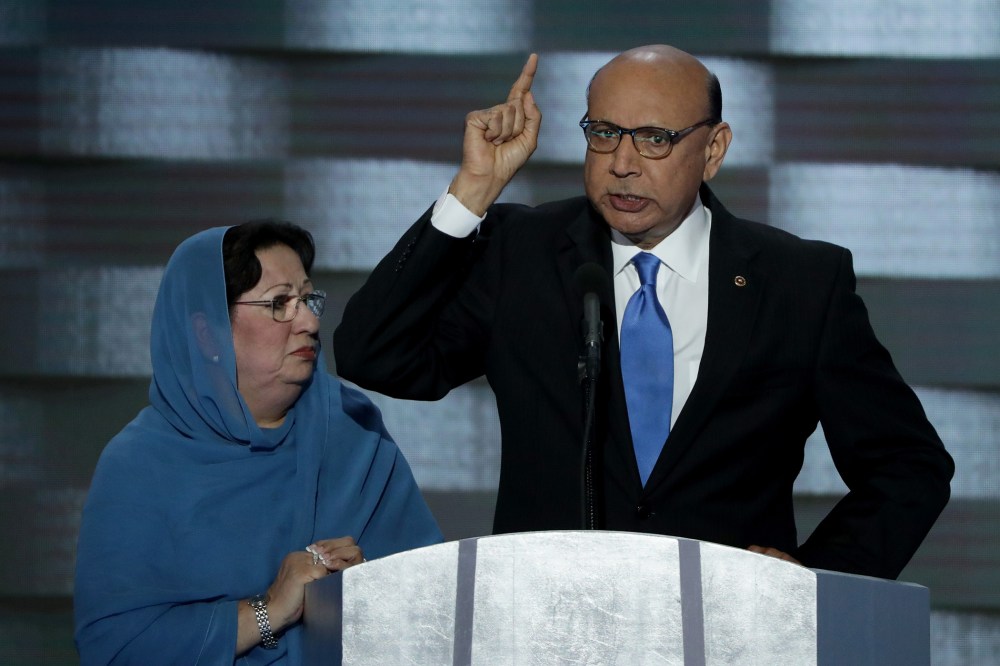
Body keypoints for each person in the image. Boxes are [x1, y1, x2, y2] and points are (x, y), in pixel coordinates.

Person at [333, 46, 953, 580]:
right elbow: (375, 355)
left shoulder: (799, 282)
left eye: (655, 138)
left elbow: (907, 466)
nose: (622, 163)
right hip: (545, 629)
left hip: (731, 636)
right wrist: (471, 193)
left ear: (714, 149)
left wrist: (815, 581)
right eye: (603, 133)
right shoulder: (521, 253)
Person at [74, 221, 442, 664]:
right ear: (206, 332)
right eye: (280, 303)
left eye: (307, 299)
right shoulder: (139, 465)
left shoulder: (352, 428)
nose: (308, 320)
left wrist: (366, 598)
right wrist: (267, 611)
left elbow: (432, 604)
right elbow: (114, 648)